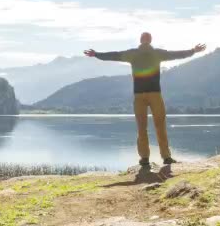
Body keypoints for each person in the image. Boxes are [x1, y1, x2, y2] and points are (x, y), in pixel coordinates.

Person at [84, 32, 206, 167]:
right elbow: (176, 54)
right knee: (160, 126)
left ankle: (145, 158)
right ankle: (165, 157)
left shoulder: (133, 53)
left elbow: (114, 55)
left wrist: (96, 54)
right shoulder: (157, 53)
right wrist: (193, 51)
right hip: (155, 94)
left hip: (139, 95)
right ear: (150, 40)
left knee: (142, 128)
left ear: (140, 40)